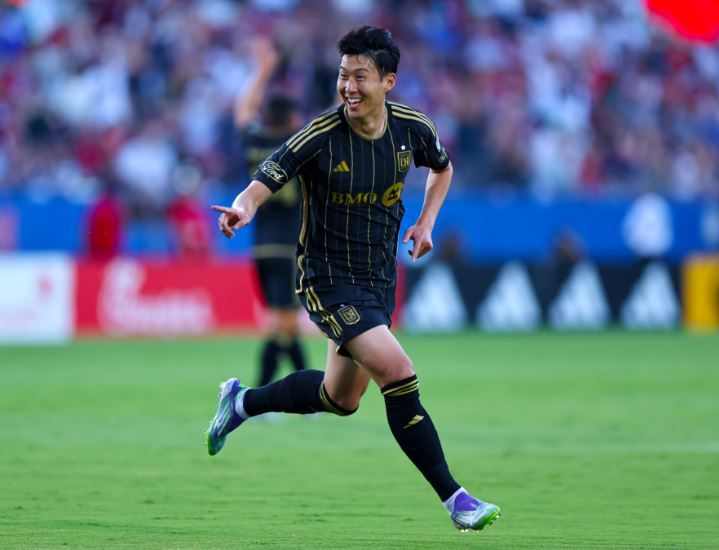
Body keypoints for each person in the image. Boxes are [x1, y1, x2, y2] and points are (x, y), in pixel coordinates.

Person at [207, 26, 501, 532]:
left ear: (388, 81)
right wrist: (242, 207)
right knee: (398, 372)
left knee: (339, 399)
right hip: (326, 279)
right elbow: (265, 177)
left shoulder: (412, 128)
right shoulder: (320, 134)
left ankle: (242, 401)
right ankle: (457, 500)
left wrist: (427, 221)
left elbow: (443, 168)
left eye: (360, 76)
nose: (348, 86)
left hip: (377, 280)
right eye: (343, 75)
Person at [234, 37, 308, 387]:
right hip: (290, 247)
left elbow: (243, 110)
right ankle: (256, 397)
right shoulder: (298, 145)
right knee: (284, 325)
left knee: (283, 324)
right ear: (293, 118)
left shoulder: (256, 141)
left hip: (261, 248)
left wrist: (263, 70)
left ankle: (308, 394)